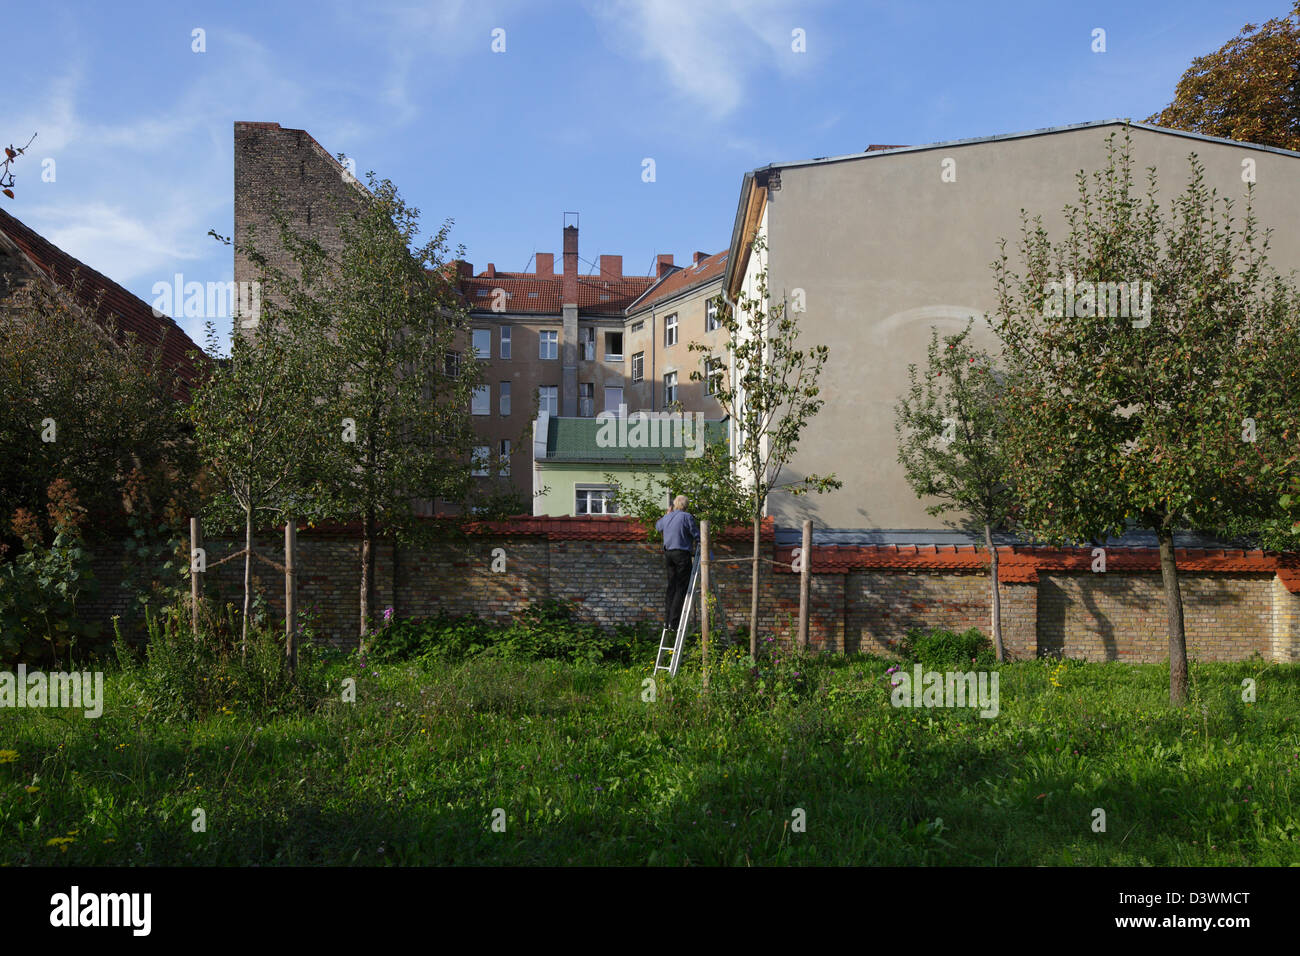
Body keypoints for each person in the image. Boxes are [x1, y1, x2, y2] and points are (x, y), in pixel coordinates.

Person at [656, 494, 699, 632]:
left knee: (671, 587)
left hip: (668, 554)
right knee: (681, 588)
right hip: (681, 554)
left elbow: (658, 527)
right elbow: (697, 535)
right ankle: (674, 623)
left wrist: (666, 515)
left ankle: (666, 621)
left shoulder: (667, 517)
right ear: (685, 506)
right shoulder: (687, 517)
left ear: (674, 504)